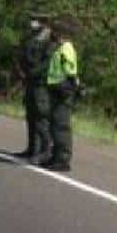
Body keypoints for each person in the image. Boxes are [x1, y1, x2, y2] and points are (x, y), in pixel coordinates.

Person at [13, 13, 53, 164]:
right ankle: (32, 149)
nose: (32, 23)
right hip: (30, 82)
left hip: (41, 83)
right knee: (31, 116)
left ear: (43, 22)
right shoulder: (32, 37)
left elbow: (46, 63)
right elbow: (25, 56)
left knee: (41, 118)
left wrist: (31, 73)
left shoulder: (48, 40)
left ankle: (45, 152)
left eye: (35, 20)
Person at [43, 20, 79, 172]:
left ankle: (63, 160)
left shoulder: (66, 48)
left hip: (63, 90)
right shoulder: (58, 48)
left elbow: (70, 70)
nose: (50, 33)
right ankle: (55, 156)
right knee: (54, 125)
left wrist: (71, 85)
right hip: (56, 89)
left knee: (61, 126)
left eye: (53, 31)